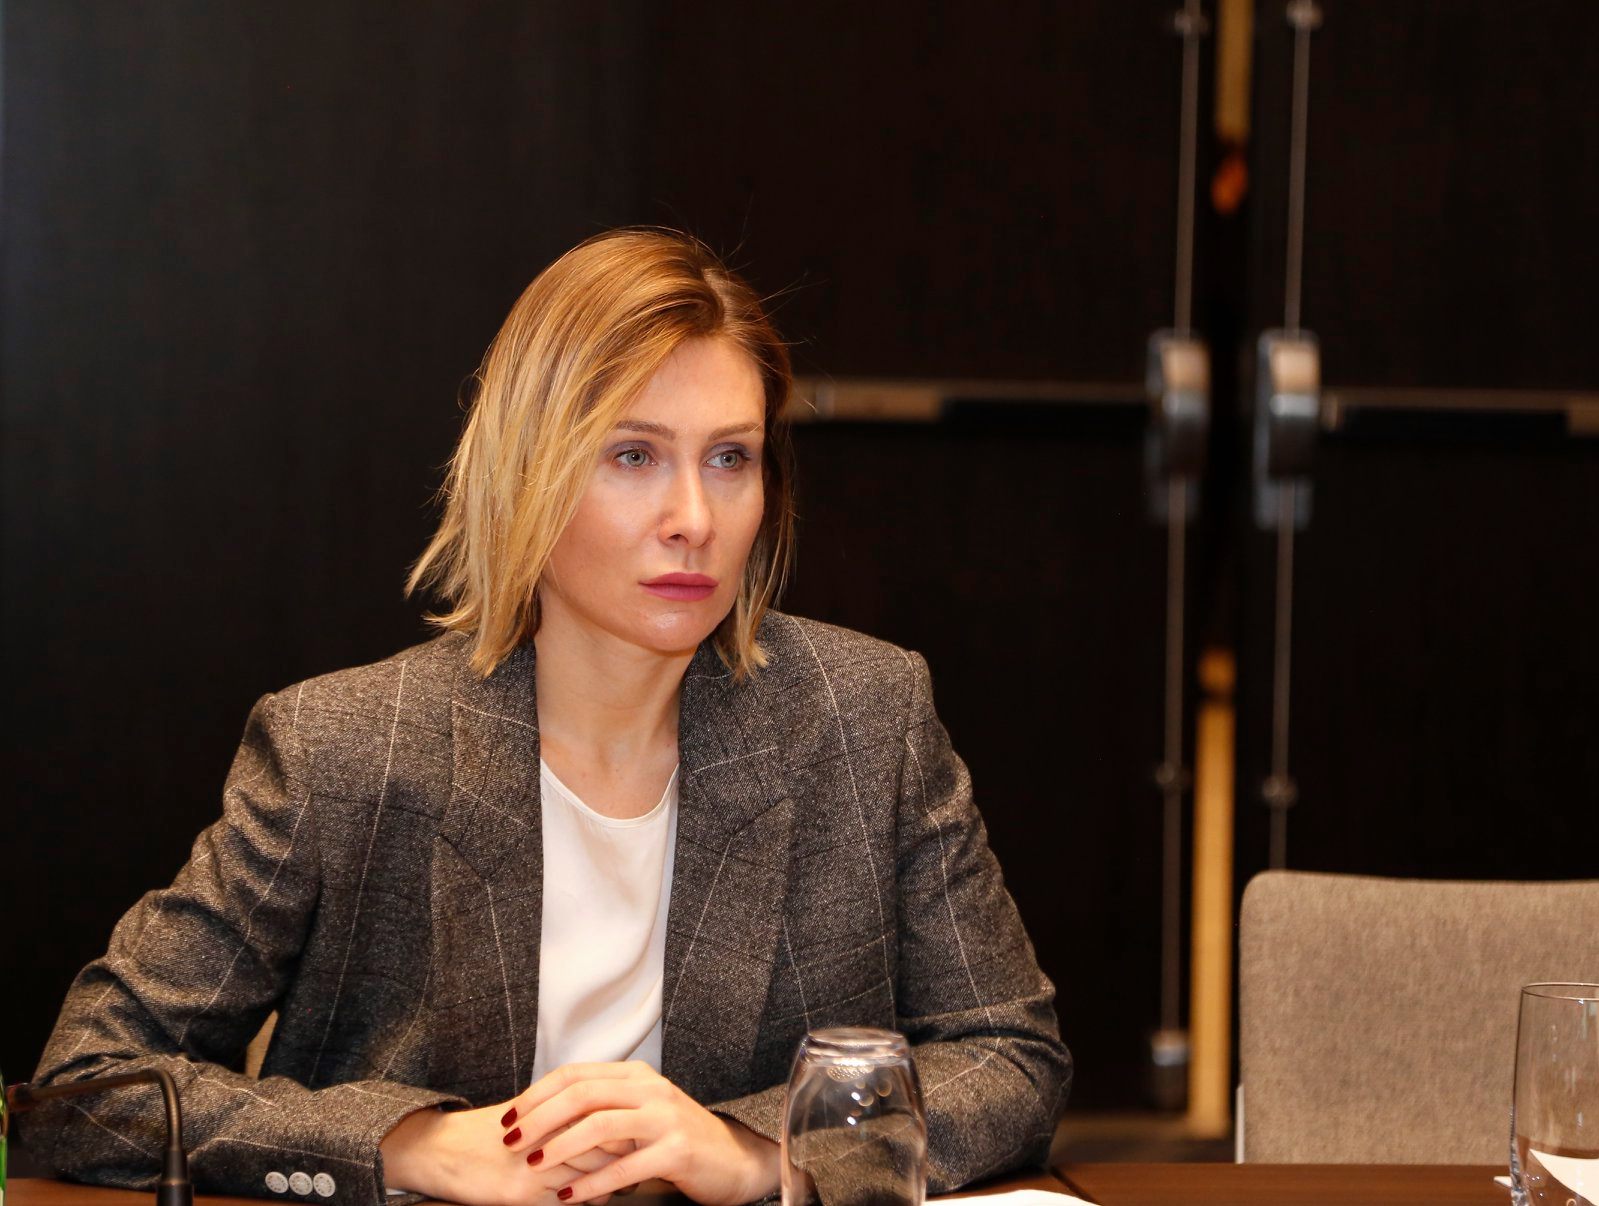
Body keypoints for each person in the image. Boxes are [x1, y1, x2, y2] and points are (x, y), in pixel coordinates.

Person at [26, 229, 1071, 1206]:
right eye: (633, 456)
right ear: (527, 471)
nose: (694, 520)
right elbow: (86, 1086)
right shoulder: (343, 747)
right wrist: (410, 1146)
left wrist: (760, 1151)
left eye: (730, 458)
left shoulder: (864, 715)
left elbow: (1012, 1056)